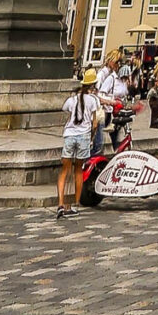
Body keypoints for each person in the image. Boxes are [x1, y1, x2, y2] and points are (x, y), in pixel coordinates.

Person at [59, 69, 100, 215]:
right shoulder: (93, 100)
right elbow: (95, 124)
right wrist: (92, 137)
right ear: (93, 85)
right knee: (78, 170)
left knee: (64, 171)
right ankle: (75, 204)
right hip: (83, 136)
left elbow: (67, 112)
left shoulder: (71, 100)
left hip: (70, 135)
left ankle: (60, 204)